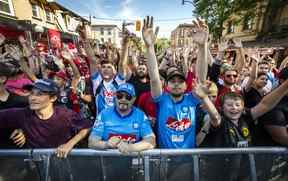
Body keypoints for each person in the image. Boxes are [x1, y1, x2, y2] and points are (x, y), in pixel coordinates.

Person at [88, 83, 155, 180]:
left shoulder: (140, 115)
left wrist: (130, 147)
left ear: (134, 99)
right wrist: (106, 144)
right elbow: (92, 142)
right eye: (119, 96)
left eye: (128, 97)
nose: (123, 99)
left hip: (134, 167)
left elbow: (151, 141)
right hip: (109, 167)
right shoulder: (104, 114)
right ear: (115, 96)